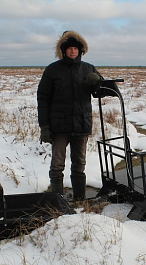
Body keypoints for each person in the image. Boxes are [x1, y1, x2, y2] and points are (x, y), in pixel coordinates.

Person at [37, 31, 101, 200]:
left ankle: (80, 199)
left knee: (79, 164)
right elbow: (43, 98)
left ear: (80, 50)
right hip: (59, 126)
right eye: (69, 48)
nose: (73, 51)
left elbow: (100, 92)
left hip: (81, 124)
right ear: (63, 51)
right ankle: (56, 200)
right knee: (57, 165)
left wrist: (97, 82)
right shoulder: (52, 70)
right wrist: (44, 126)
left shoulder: (89, 68)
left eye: (75, 48)